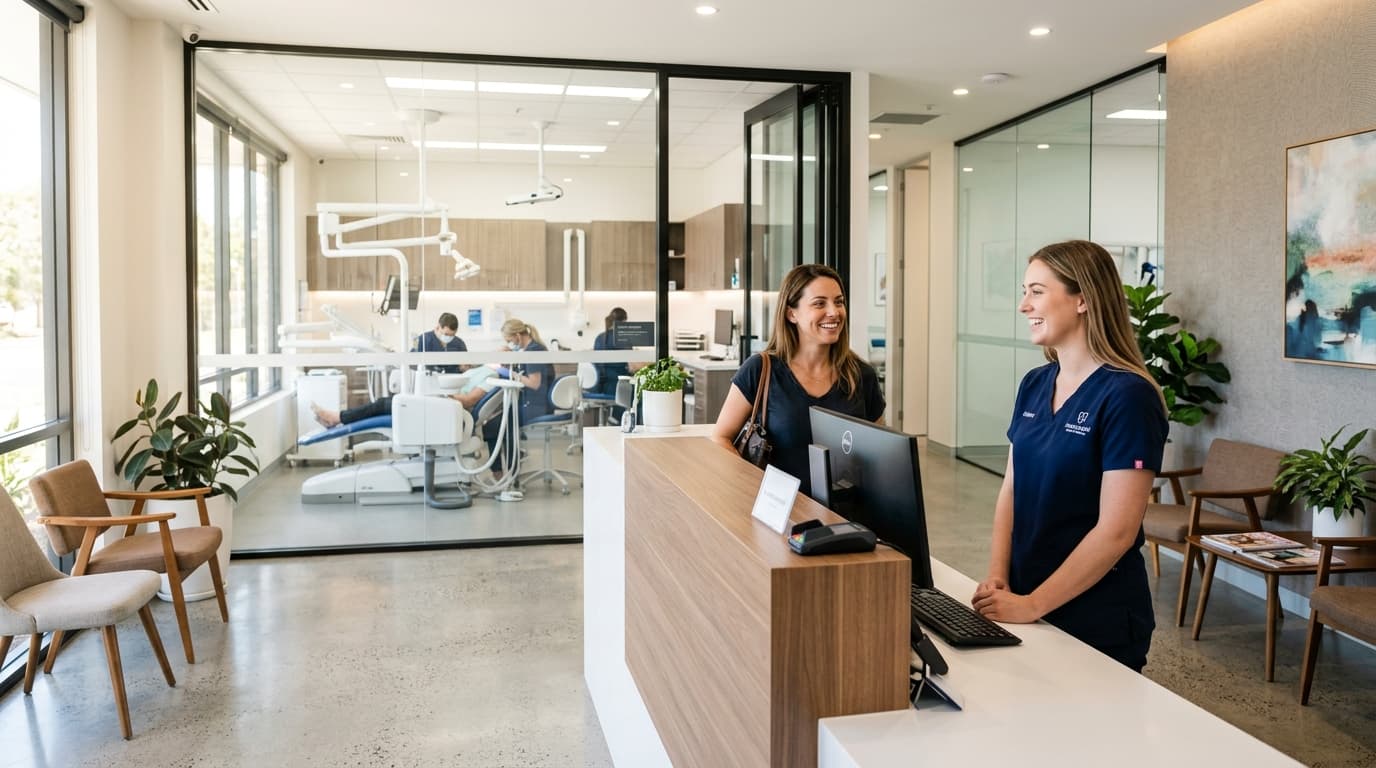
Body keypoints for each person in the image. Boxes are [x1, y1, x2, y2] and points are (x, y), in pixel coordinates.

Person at [971, 239, 1168, 673]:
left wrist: (1033, 604)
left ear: (1083, 299)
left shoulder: (1128, 397)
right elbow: (1011, 490)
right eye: (1024, 291)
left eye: (1037, 291)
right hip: (1025, 597)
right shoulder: (1034, 383)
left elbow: (1117, 532)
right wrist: (999, 577)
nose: (1024, 305)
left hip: (1094, 616)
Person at [711, 263, 885, 498]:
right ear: (791, 313)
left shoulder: (862, 375)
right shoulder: (761, 369)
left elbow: (881, 455)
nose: (834, 312)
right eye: (819, 303)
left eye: (839, 302)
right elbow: (721, 438)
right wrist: (757, 490)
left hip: (846, 514)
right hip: (778, 512)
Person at [311, 312, 469, 427]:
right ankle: (337, 417)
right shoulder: (424, 340)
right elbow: (412, 363)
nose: (449, 338)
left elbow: (464, 370)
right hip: (424, 393)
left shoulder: (459, 344)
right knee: (380, 404)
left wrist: (464, 367)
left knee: (380, 405)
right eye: (446, 334)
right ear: (437, 327)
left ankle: (336, 418)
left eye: (452, 335)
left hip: (436, 399)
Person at [482, 318, 554, 475]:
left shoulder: (534, 351)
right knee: (493, 424)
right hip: (531, 403)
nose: (510, 344)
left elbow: (534, 383)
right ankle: (503, 471)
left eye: (509, 340)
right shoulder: (530, 349)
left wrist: (510, 373)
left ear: (518, 336)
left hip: (537, 406)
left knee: (498, 426)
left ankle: (509, 473)